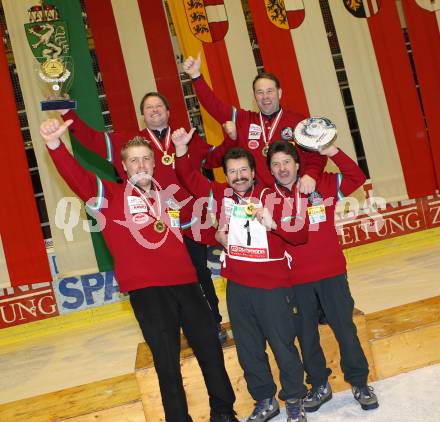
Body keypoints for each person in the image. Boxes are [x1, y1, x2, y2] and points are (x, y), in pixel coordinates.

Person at [39, 118, 238, 422]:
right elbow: (76, 176)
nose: (141, 164)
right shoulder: (109, 196)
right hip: (148, 291)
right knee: (167, 363)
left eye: (146, 158)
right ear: (123, 167)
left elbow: (195, 230)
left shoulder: (170, 195)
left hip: (186, 284)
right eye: (134, 160)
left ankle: (223, 412)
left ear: (154, 163)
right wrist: (55, 145)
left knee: (210, 350)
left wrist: (219, 236)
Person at [60, 93, 225, 340]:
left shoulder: (186, 138)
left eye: (159, 106)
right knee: (161, 288)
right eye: (149, 107)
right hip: (151, 228)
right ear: (143, 114)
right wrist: (67, 112)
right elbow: (91, 139)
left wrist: (233, 137)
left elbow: (214, 158)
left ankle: (213, 325)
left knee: (199, 278)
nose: (155, 110)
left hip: (189, 225)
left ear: (169, 112)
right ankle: (178, 333)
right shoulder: (129, 143)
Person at [172, 127, 309, 422]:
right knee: (248, 351)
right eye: (232, 172)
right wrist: (182, 151)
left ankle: (295, 399)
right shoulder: (220, 195)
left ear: (253, 171)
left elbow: (299, 236)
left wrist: (274, 224)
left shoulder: (272, 196)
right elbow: (190, 178)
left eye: (243, 170)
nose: (239, 176)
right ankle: (264, 400)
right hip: (237, 287)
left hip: (272, 286)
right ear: (226, 175)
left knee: (283, 345)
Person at [265, 140, 379, 413]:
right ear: (269, 169)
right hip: (296, 280)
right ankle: (319, 384)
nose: (282, 169)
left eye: (287, 162)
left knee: (345, 329)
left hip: (331, 273)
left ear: (297, 164)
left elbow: (357, 177)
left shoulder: (321, 184)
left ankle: (360, 382)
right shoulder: (265, 197)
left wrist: (332, 153)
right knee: (306, 336)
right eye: (276, 164)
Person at [182, 53, 327, 193]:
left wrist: (311, 175)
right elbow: (214, 105)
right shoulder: (243, 120)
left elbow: (319, 154)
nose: (265, 97)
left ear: (280, 93)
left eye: (270, 91)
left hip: (295, 194)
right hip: (260, 200)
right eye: (260, 92)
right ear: (254, 96)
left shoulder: (298, 122)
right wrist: (196, 76)